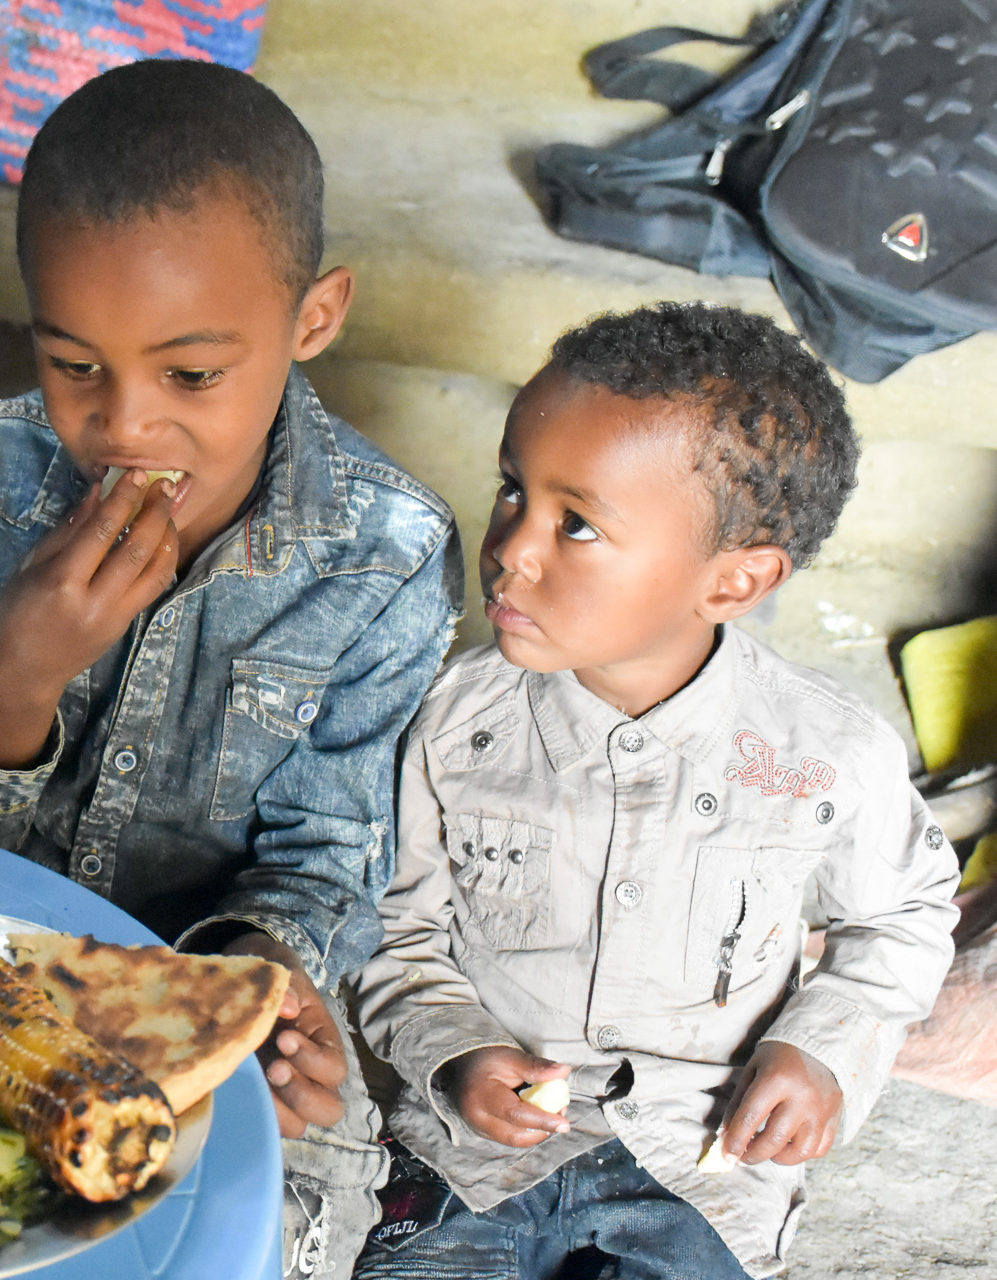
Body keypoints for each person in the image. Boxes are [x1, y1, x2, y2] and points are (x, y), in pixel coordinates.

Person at [0, 60, 462, 1276]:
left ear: (315, 317)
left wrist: (267, 968)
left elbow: (329, 848)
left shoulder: (387, 554)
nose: (128, 424)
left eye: (191, 373)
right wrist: (11, 684)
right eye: (75, 364)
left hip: (188, 1019)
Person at [355, 303, 960, 1279]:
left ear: (732, 580)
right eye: (514, 488)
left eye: (578, 522)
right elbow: (394, 925)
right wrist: (456, 1048)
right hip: (474, 1153)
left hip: (703, 1160)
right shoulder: (452, 717)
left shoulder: (827, 751)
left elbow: (906, 915)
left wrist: (826, 1049)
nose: (513, 546)